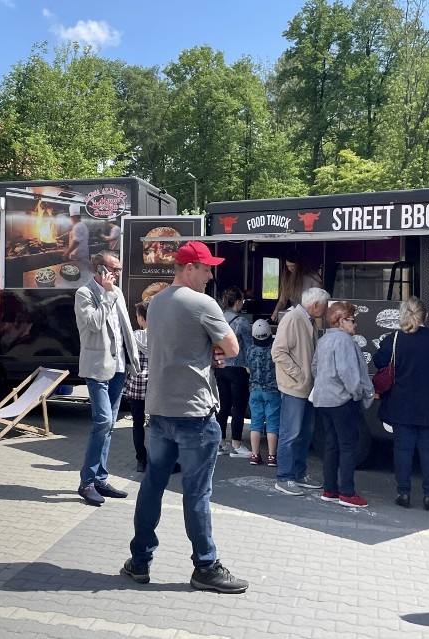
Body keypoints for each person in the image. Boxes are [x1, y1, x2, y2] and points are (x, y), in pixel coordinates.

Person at [122, 241, 248, 594]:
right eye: (206, 268)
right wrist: (212, 351)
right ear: (188, 267)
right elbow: (234, 348)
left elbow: (177, 347)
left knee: (152, 487)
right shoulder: (202, 303)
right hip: (194, 412)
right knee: (196, 493)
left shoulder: (157, 302)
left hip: (159, 409)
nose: (211, 275)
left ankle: (140, 561)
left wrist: (203, 353)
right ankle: (205, 566)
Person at [373, 296, 429, 510]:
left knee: (402, 449)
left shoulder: (393, 339)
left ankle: (403, 493)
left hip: (401, 406)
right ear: (425, 316)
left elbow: (378, 361)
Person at [74, 251, 140, 506]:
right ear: (101, 270)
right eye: (116, 269)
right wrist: (108, 295)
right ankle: (87, 482)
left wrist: (136, 357)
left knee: (109, 424)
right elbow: (93, 324)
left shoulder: (118, 292)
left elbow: (124, 327)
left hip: (119, 367)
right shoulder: (84, 294)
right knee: (102, 421)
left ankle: (100, 479)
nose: (119, 274)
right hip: (97, 368)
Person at [310, 302, 375, 508]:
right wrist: (357, 393)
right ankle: (347, 492)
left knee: (331, 445)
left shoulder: (324, 340)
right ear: (341, 320)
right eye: (352, 320)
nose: (355, 325)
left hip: (324, 400)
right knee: (348, 446)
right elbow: (349, 373)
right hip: (342, 400)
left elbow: (314, 367)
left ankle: (329, 489)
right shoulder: (345, 341)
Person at [271, 286, 330, 496]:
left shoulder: (307, 320)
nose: (325, 310)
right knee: (291, 433)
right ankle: (285, 476)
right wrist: (300, 375)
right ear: (315, 305)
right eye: (323, 306)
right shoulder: (293, 318)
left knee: (305, 434)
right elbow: (278, 351)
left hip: (306, 387)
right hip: (295, 387)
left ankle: (298, 473)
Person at [215, 286, 252, 458]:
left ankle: (221, 443)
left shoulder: (218, 319)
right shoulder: (242, 322)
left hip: (220, 367)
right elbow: (249, 348)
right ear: (237, 302)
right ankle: (236, 444)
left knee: (223, 405)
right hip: (238, 368)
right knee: (238, 407)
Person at [247, 319, 280, 466]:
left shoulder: (250, 350)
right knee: (272, 423)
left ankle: (255, 454)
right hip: (272, 390)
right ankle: (272, 456)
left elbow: (248, 369)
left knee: (256, 423)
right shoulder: (273, 349)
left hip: (255, 390)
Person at [123, 300, 150, 473]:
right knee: (158, 425)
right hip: (156, 384)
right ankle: (159, 459)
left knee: (137, 423)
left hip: (135, 384)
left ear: (140, 318)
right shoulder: (162, 336)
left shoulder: (133, 336)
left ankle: (141, 460)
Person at [270, 251, 322, 323]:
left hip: (309, 317)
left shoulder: (313, 278)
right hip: (294, 316)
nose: (290, 269)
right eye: (288, 266)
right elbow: (282, 301)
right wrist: (276, 312)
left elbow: (318, 302)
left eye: (293, 266)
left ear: (300, 265)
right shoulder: (287, 278)